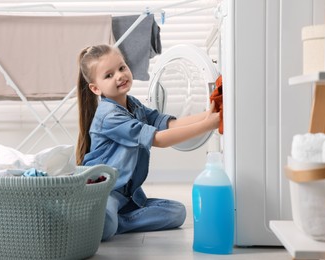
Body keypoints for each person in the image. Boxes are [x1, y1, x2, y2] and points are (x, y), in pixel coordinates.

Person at [76, 44, 220, 241]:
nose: (119, 75)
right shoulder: (109, 116)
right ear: (95, 88)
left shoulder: (133, 104)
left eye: (121, 67)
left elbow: (169, 124)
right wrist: (209, 125)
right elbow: (158, 139)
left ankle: (118, 220)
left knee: (177, 212)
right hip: (103, 192)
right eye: (108, 75)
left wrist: (210, 115)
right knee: (106, 226)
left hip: (128, 195)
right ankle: (112, 222)